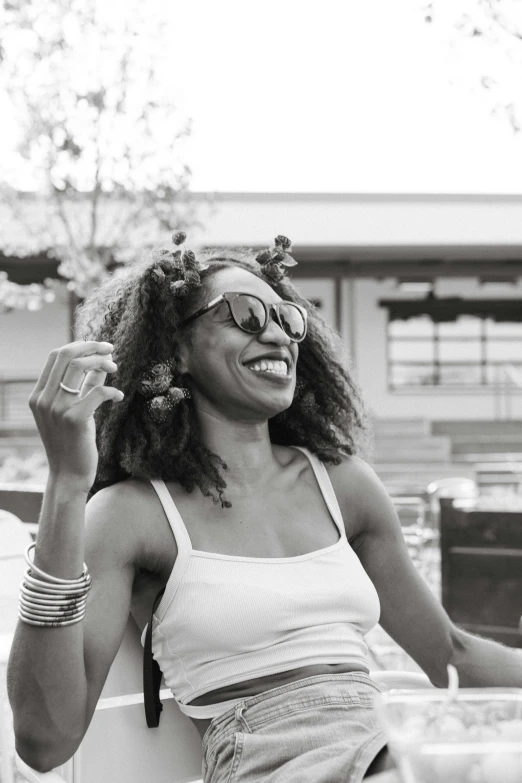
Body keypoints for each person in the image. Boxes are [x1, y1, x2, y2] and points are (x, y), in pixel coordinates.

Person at [7, 234, 522, 783]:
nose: (277, 333)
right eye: (246, 315)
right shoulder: (131, 515)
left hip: (380, 737)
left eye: (288, 317)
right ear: (174, 349)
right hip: (273, 758)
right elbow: (45, 740)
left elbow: (452, 652)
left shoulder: (343, 484)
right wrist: (66, 482)